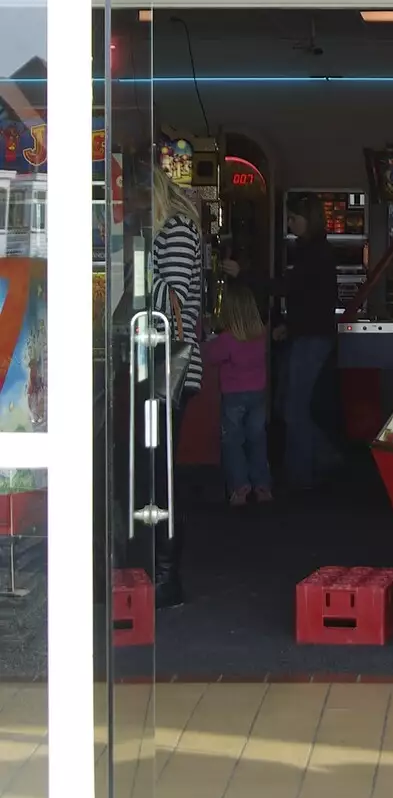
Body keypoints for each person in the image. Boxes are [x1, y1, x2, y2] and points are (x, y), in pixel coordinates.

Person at [150, 166, 204, 608]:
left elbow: (171, 300)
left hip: (166, 361)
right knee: (156, 467)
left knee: (160, 468)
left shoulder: (176, 229)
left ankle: (166, 576)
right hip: (158, 360)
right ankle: (160, 573)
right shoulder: (175, 227)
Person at [277, 196, 343, 490]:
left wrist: (245, 277)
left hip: (310, 336)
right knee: (296, 407)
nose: (290, 223)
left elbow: (295, 290)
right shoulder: (317, 250)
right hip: (312, 334)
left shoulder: (313, 252)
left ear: (308, 219)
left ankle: (304, 474)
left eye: (294, 218)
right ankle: (321, 460)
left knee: (294, 409)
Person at [204, 284, 272, 505]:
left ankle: (240, 487)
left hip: (234, 396)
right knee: (257, 439)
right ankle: (262, 486)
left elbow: (211, 356)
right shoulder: (260, 335)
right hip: (258, 394)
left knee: (233, 441)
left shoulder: (227, 339)